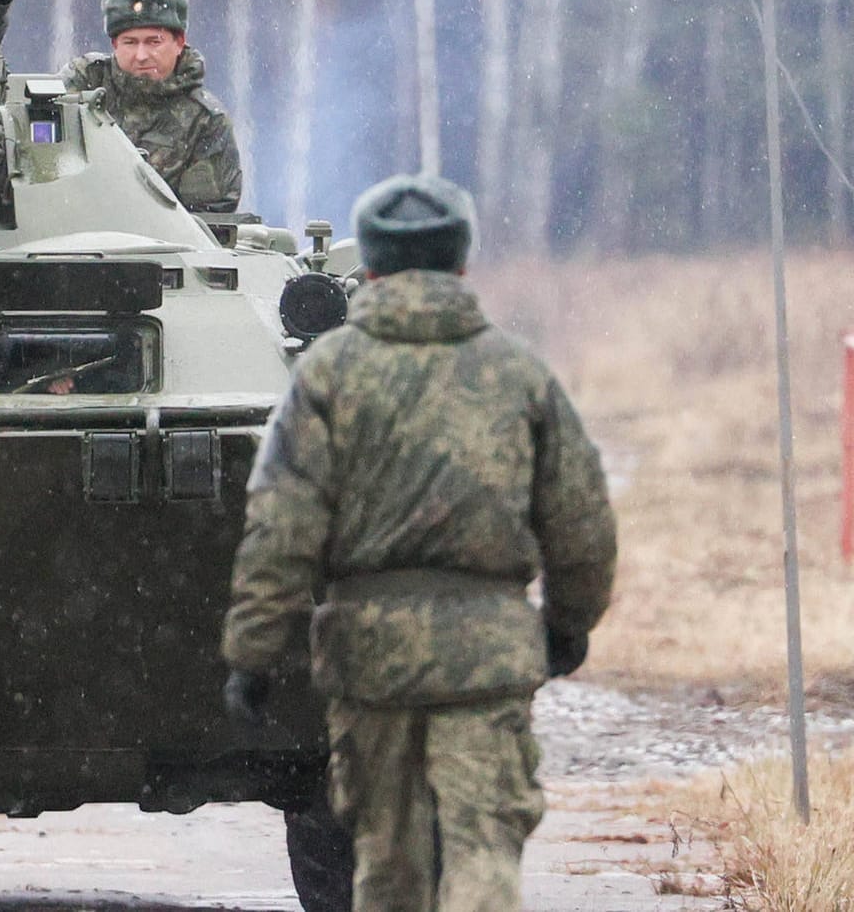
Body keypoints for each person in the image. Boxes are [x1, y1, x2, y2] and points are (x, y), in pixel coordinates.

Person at [218, 175, 617, 912]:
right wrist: (567, 625)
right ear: (462, 264)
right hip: (488, 655)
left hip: (370, 659)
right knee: (482, 845)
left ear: (366, 267)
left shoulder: (327, 375)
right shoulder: (517, 372)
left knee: (386, 856)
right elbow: (581, 520)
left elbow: (281, 529)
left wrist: (254, 652)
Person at [61, 0, 244, 212]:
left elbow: (207, 218)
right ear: (114, 45)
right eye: (129, 42)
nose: (141, 55)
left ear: (179, 43)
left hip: (160, 246)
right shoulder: (83, 86)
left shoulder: (205, 120)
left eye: (153, 42)